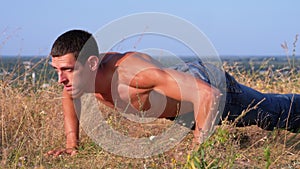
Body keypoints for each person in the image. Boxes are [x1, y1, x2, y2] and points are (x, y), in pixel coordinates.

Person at [46, 29, 300, 157]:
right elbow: (71, 95)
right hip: (183, 103)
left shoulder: (132, 74)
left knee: (276, 114)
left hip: (207, 86)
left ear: (91, 64)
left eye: (67, 70)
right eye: (57, 70)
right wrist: (72, 145)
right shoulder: (78, 80)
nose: (61, 79)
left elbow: (208, 95)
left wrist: (196, 155)